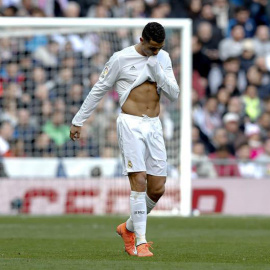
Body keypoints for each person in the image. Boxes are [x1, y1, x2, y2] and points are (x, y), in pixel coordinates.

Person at [70, 22, 180, 257]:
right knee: (139, 180)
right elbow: (99, 89)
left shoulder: (163, 58)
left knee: (158, 188)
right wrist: (79, 120)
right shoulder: (120, 58)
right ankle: (141, 242)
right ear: (142, 40)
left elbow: (174, 94)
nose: (156, 52)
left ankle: (128, 228)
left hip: (154, 125)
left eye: (159, 48)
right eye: (152, 48)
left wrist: (157, 68)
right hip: (130, 123)